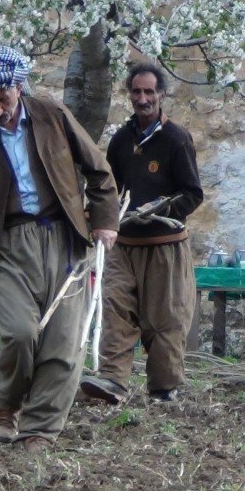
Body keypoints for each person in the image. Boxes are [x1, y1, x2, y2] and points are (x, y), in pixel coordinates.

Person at [0, 44, 119, 451]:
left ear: (19, 87)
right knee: (19, 332)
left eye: (2, 98)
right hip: (8, 245)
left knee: (63, 342)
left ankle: (39, 430)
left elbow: (98, 171)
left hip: (63, 238)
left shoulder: (52, 115)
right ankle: (7, 408)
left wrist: (104, 222)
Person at [79, 63, 203, 405]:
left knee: (166, 318)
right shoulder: (121, 140)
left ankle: (163, 389)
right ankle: (113, 382)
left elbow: (192, 194)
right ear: (129, 94)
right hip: (125, 244)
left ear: (161, 95)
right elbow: (108, 189)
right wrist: (103, 218)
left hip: (164, 246)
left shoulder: (177, 139)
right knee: (116, 310)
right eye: (137, 92)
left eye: (149, 92)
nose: (143, 99)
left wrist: (160, 211)